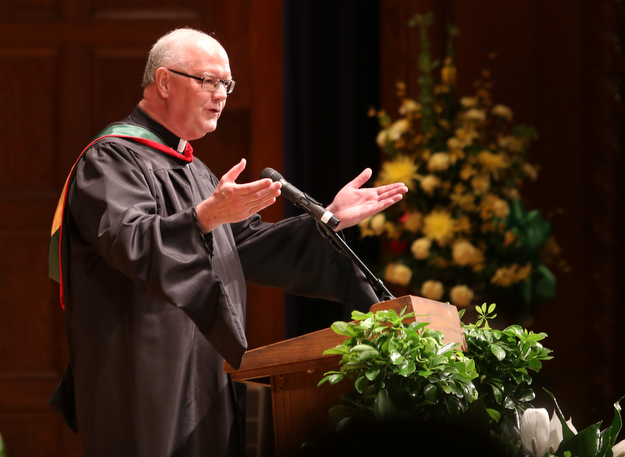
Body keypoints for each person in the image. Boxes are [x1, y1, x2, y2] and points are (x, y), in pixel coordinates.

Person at [48, 27, 408, 457]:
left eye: (227, 84)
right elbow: (132, 242)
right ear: (164, 81)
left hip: (206, 374)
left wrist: (329, 218)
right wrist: (204, 216)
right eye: (209, 81)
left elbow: (244, 246)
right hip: (143, 379)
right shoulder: (110, 159)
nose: (221, 94)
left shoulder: (195, 170)